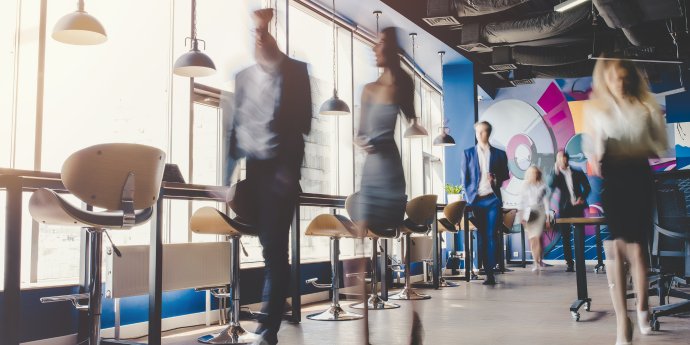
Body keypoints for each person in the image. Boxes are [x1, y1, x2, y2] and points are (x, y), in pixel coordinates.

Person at [225, 8, 312, 345]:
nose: (258, 39)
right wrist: (226, 177)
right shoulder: (243, 77)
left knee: (276, 255)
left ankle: (268, 330)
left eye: (263, 33)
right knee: (270, 253)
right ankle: (267, 323)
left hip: (282, 178)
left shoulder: (295, 72)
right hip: (254, 179)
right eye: (255, 33)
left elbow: (304, 124)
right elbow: (235, 133)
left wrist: (288, 173)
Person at [584, 57, 668, 345]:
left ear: (630, 78)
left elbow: (660, 146)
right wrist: (596, 155)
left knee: (638, 251)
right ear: (606, 81)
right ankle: (623, 322)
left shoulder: (646, 107)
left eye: (623, 77)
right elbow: (592, 154)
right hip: (614, 182)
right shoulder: (598, 111)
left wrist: (640, 142)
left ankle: (643, 308)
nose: (619, 83)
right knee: (616, 248)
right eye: (613, 78)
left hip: (639, 178)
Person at [353, 27, 419, 345]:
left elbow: (411, 119)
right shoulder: (366, 89)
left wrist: (417, 122)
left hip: (391, 170)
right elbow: (359, 132)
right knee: (360, 244)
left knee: (395, 235)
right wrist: (361, 142)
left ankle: (411, 316)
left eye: (378, 43)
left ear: (390, 49)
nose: (373, 48)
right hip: (371, 172)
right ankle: (363, 333)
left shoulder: (405, 85)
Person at [461, 121, 510, 285]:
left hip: (492, 199)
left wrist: (495, 179)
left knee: (491, 236)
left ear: (488, 133)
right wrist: (470, 198)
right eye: (478, 132)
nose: (480, 135)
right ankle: (485, 268)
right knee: (481, 236)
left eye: (483, 132)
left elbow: (505, 175)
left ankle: (490, 274)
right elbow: (465, 179)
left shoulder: (499, 154)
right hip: (476, 200)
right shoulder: (468, 153)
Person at [548, 150, 591, 272]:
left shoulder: (577, 171)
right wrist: (555, 171)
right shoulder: (557, 175)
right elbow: (551, 185)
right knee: (565, 237)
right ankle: (569, 263)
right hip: (564, 209)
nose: (560, 160)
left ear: (567, 159)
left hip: (577, 207)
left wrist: (582, 198)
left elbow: (587, 187)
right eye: (558, 158)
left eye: (562, 157)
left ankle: (580, 260)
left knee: (580, 236)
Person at [519, 166, 551, 271]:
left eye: (535, 173)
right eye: (532, 173)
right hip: (529, 213)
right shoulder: (524, 185)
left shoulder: (543, 186)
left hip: (540, 212)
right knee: (532, 239)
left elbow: (546, 202)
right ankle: (536, 261)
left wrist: (547, 218)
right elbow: (522, 201)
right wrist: (521, 216)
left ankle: (538, 262)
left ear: (538, 174)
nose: (534, 175)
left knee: (537, 237)